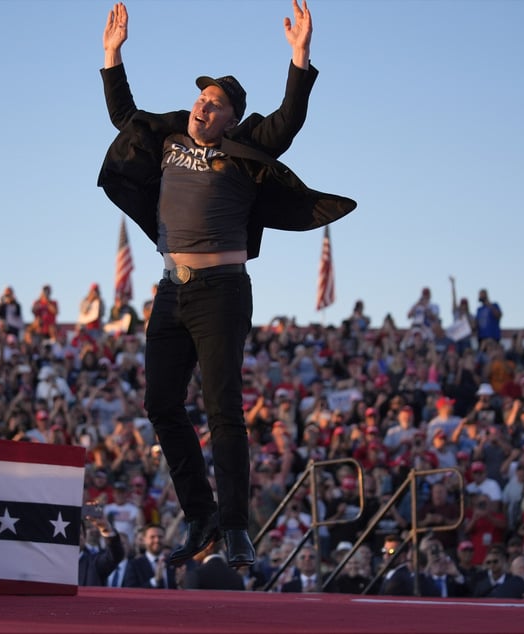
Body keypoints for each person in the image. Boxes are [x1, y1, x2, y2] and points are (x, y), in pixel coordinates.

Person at [98, 1, 355, 568]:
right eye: (200, 96)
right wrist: (113, 56)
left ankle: (237, 526)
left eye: (214, 103)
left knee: (222, 407)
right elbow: (126, 118)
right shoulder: (167, 140)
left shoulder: (245, 150)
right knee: (161, 403)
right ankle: (201, 516)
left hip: (221, 290)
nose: (201, 104)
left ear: (231, 119)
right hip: (171, 289)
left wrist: (300, 57)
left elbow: (287, 119)